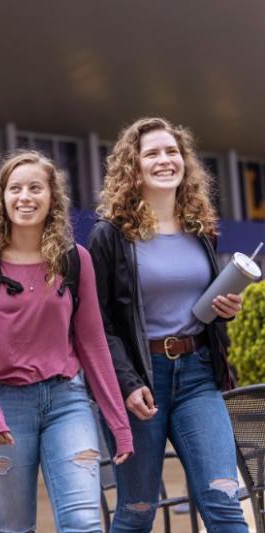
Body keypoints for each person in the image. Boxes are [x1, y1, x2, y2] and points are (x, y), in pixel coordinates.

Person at [0, 150, 133, 533]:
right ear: (1, 198)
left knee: (84, 523)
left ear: (52, 197)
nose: (25, 197)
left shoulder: (75, 260)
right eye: (15, 189)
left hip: (67, 401)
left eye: (36, 188)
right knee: (15, 528)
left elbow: (93, 344)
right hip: (1, 402)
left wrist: (118, 422)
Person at [88, 117, 248, 532]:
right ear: (133, 166)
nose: (165, 160)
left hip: (198, 376)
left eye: (172, 151)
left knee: (223, 498)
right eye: (152, 153)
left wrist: (225, 309)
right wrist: (125, 382)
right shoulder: (110, 236)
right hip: (142, 382)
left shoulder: (202, 231)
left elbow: (198, 307)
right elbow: (96, 322)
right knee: (138, 510)